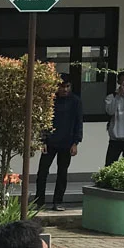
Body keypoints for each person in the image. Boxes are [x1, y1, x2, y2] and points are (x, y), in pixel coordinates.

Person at [34, 74, 83, 211]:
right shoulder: (50, 100)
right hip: (49, 142)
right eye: (62, 86)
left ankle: (58, 201)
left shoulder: (76, 101)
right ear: (57, 86)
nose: (65, 89)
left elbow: (78, 123)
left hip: (67, 143)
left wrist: (76, 143)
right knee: (42, 172)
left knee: (62, 173)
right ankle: (39, 202)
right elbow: (43, 121)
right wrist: (42, 141)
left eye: (67, 86)